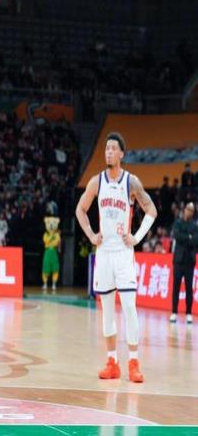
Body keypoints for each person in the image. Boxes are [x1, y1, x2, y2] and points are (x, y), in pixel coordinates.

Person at [76, 132, 157, 383]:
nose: (109, 152)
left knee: (130, 308)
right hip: (104, 254)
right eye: (107, 148)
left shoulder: (131, 182)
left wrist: (137, 237)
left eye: (113, 148)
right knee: (107, 311)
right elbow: (80, 209)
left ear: (121, 153)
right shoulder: (96, 182)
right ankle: (112, 362)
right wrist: (91, 234)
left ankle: (133, 362)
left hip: (123, 253)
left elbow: (151, 209)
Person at [170, 202, 197, 324]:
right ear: (184, 209)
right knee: (176, 287)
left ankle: (188, 313)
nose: (189, 211)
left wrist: (187, 237)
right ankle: (174, 312)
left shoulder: (195, 226)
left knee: (188, 288)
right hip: (178, 261)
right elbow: (177, 236)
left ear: (193, 212)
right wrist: (189, 237)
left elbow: (195, 241)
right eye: (188, 209)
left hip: (189, 262)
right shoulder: (178, 223)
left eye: (191, 210)